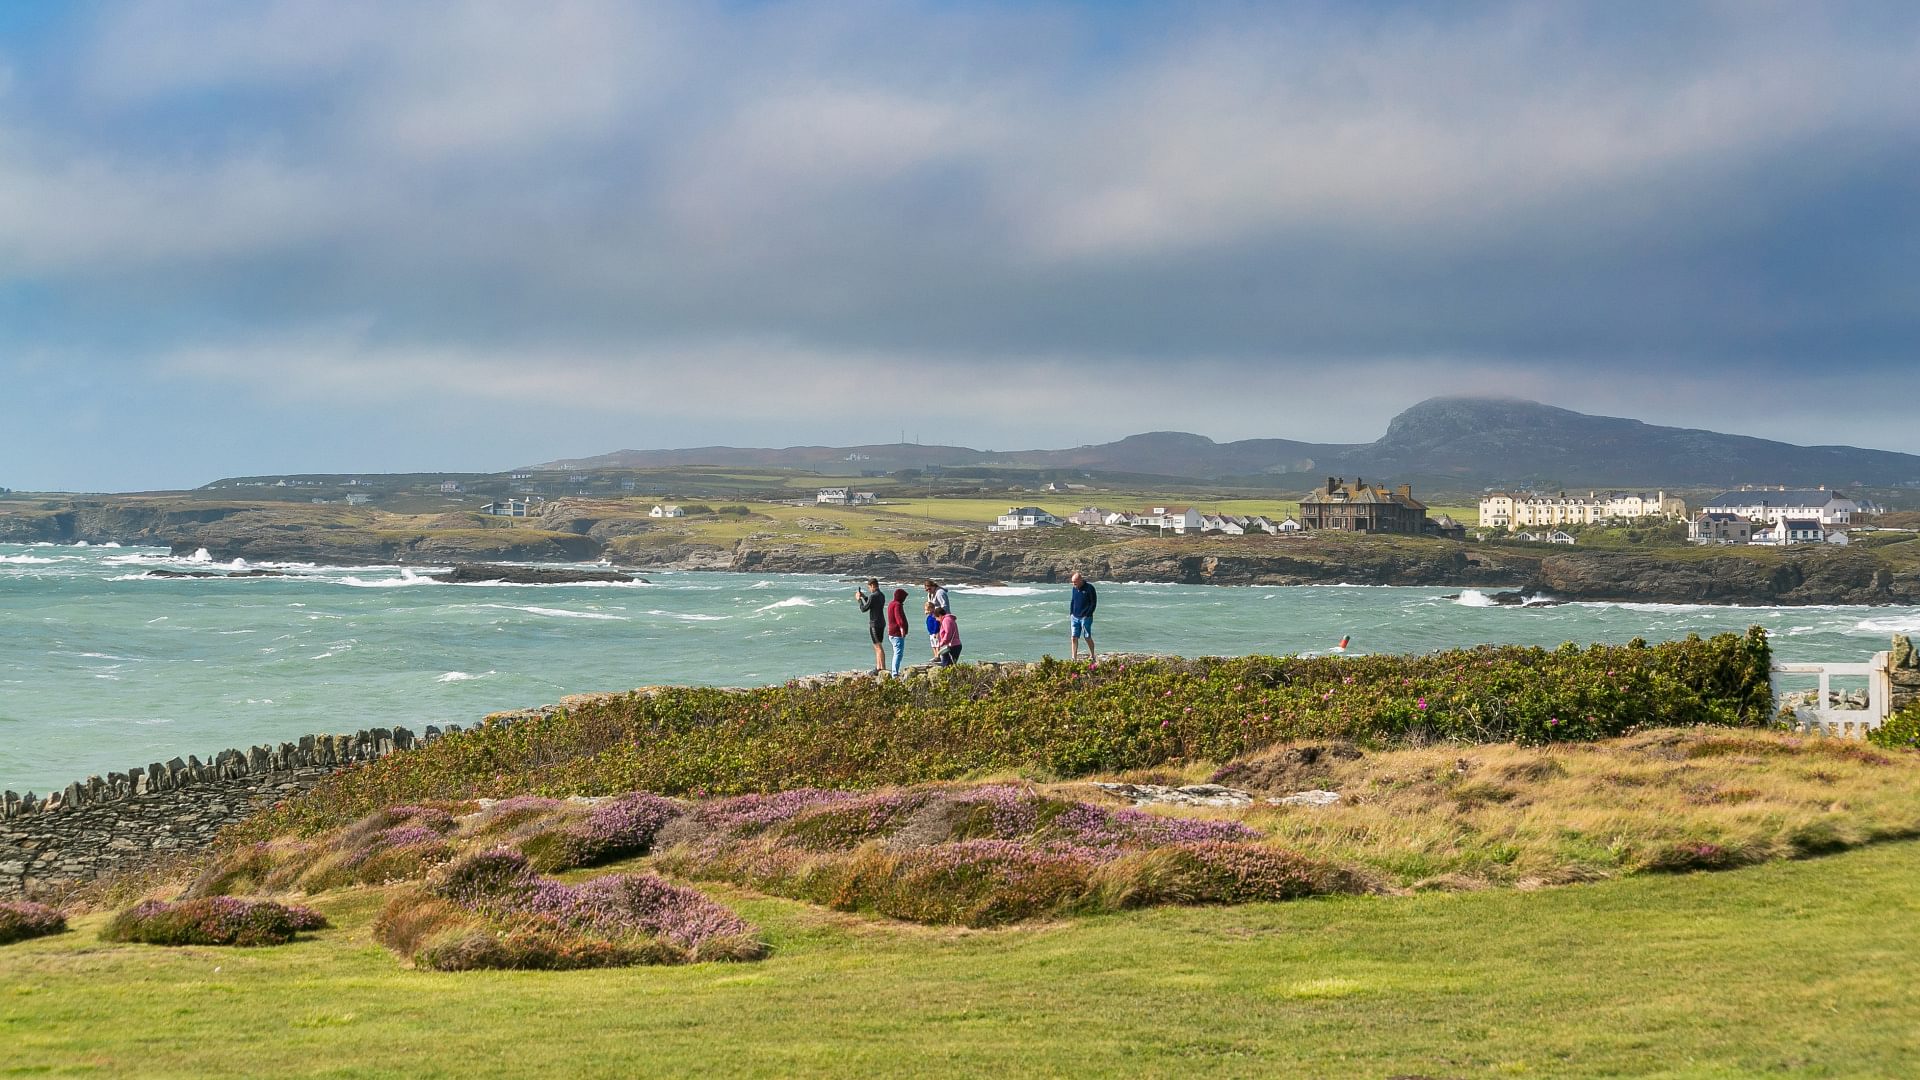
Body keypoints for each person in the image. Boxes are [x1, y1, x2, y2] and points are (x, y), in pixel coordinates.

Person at [855, 578, 887, 674]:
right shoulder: (881, 595)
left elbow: (864, 609)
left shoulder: (873, 596)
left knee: (878, 646)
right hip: (881, 622)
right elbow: (871, 604)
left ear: (872, 585)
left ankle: (882, 668)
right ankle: (879, 667)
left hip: (875, 623)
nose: (869, 589)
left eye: (869, 587)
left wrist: (859, 600)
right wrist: (864, 596)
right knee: (877, 645)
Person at [1068, 572, 1098, 661]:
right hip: (1075, 617)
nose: (1074, 584)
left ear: (1080, 580)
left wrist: (1087, 614)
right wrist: (1071, 613)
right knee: (1073, 637)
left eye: (1075, 582)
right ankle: (1074, 657)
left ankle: (1092, 655)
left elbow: (1093, 603)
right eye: (1073, 582)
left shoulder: (1089, 588)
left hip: (1085, 617)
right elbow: (1073, 601)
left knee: (1087, 637)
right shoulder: (1074, 589)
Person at [884, 588, 909, 677]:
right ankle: (895, 673)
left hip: (892, 632)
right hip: (897, 633)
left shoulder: (891, 604)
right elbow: (898, 617)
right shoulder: (897, 605)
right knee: (898, 653)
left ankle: (895, 672)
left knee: (897, 652)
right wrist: (902, 628)